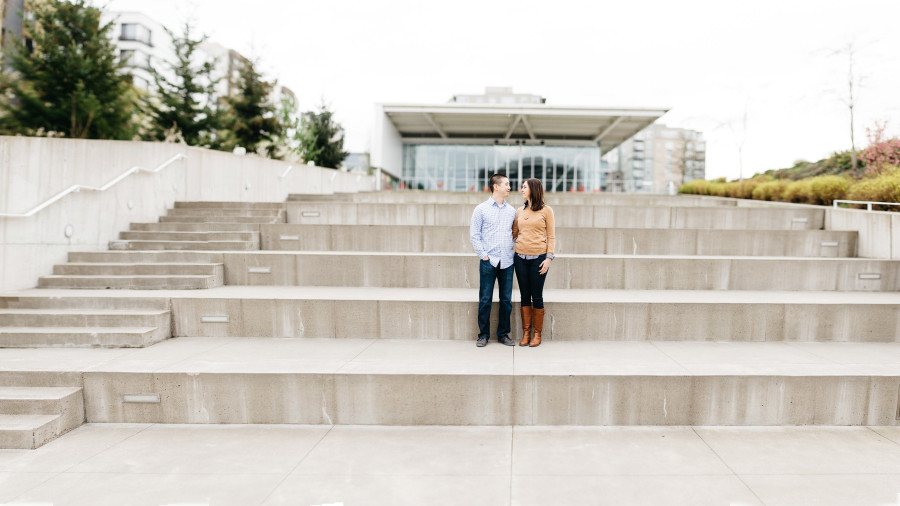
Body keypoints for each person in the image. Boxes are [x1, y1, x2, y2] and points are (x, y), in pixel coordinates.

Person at [470, 173, 517, 347]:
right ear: (496, 186)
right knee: (485, 299)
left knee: (506, 300)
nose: (509, 187)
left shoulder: (512, 211)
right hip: (488, 261)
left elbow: (514, 234)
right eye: (506, 184)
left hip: (507, 261)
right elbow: (474, 235)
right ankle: (483, 335)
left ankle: (503, 334)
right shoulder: (480, 209)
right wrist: (484, 256)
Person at [512, 178, 555, 347]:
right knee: (524, 296)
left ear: (533, 189)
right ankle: (526, 332)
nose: (521, 189)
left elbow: (551, 236)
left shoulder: (546, 211)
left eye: (524, 187)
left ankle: (537, 334)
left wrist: (548, 259)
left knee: (536, 296)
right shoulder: (519, 211)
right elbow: (514, 233)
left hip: (538, 259)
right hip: (520, 259)